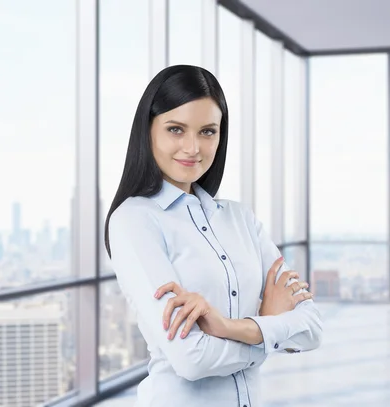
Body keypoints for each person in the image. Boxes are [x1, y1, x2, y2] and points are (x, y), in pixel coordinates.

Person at [104, 65, 323, 406]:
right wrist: (270, 326)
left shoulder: (241, 219)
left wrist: (226, 327)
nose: (193, 148)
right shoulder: (134, 221)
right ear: (148, 130)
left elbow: (311, 327)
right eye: (176, 129)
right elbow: (192, 359)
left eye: (207, 132)